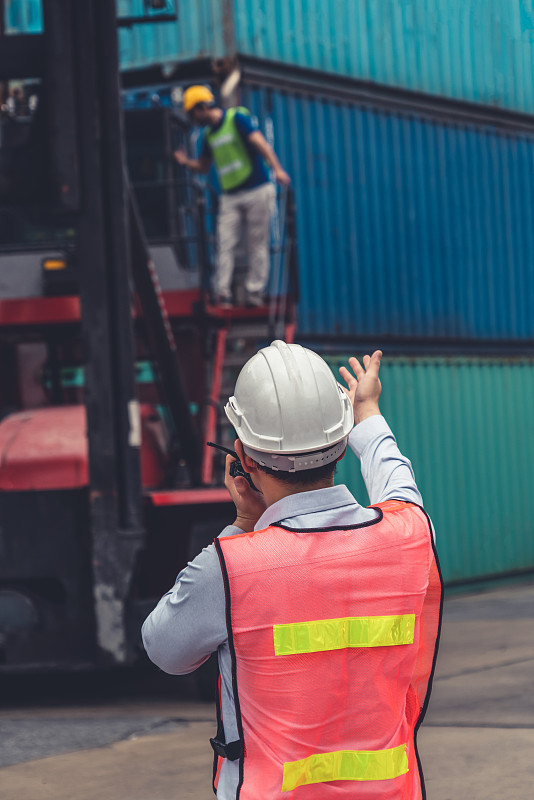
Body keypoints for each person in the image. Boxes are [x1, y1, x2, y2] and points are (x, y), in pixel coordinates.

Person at [142, 341, 443, 799]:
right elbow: (396, 480)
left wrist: (242, 524)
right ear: (341, 445)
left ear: (243, 460)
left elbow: (165, 650)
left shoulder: (229, 567)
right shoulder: (410, 535)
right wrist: (367, 410)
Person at [174, 86, 291, 308]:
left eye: (192, 113)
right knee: (224, 243)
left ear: (202, 107)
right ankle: (222, 293)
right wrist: (185, 163)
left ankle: (254, 292)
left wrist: (276, 169)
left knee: (257, 242)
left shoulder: (236, 119)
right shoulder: (209, 135)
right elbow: (203, 166)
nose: (192, 119)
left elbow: (260, 144)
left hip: (257, 189)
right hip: (231, 196)